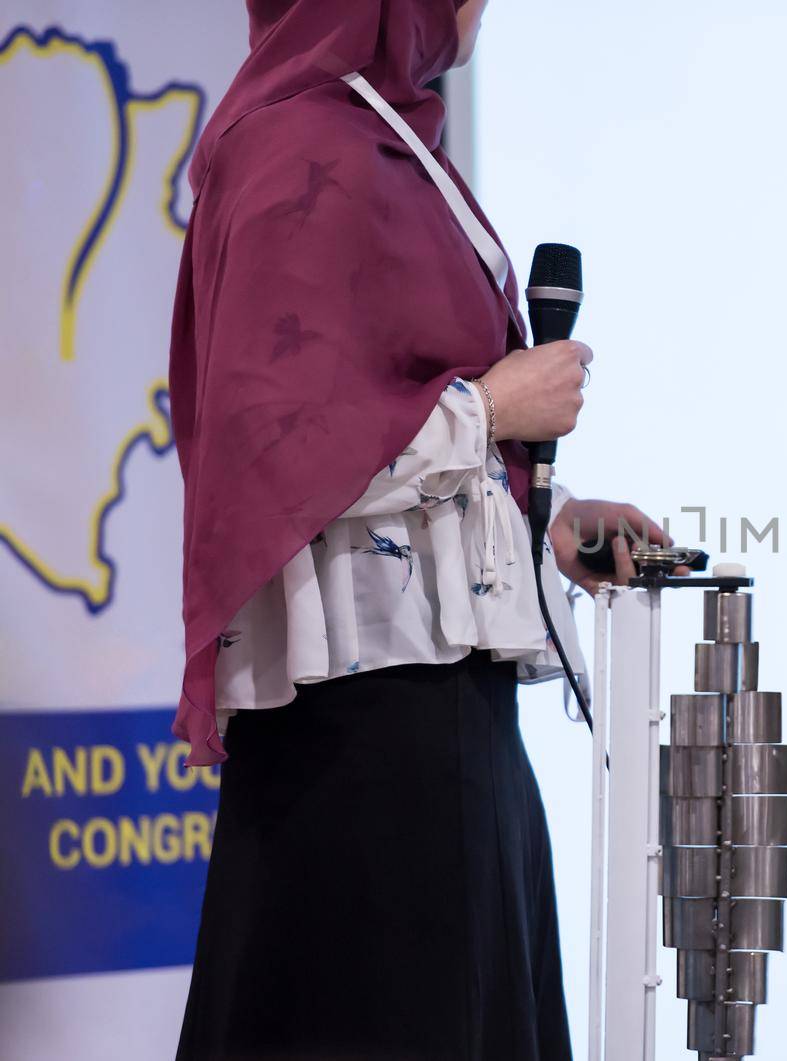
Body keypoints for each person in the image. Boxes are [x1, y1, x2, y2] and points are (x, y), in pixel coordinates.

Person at [169, 2, 665, 1057]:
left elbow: (378, 415)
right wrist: (492, 410)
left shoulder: (389, 139)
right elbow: (273, 449)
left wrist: (551, 521)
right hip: (366, 744)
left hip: (448, 720)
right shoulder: (300, 145)